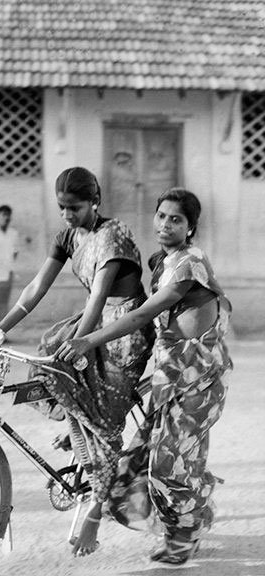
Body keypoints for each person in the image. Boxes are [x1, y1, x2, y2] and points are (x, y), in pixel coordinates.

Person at [0, 167, 155, 557]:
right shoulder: (68, 235)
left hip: (123, 329)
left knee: (101, 418)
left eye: (75, 208)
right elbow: (37, 286)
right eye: (62, 209)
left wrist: (79, 343)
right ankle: (80, 438)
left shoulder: (114, 235)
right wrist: (0, 328)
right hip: (90, 321)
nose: (68, 216)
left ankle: (94, 513)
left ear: (96, 201)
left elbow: (98, 299)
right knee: (48, 359)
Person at [55, 187, 233, 564]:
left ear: (191, 227)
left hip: (199, 380)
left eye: (176, 219)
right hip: (171, 378)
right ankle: (190, 524)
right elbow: (156, 333)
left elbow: (141, 316)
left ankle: (184, 537)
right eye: (161, 216)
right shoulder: (162, 262)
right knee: (156, 459)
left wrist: (87, 341)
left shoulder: (190, 262)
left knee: (170, 464)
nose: (166, 224)